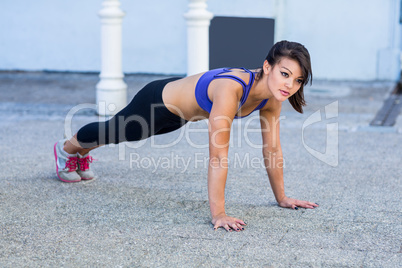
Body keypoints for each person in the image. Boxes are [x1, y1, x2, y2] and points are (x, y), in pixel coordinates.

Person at [54, 40, 319, 232]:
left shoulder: (272, 99)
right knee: (115, 132)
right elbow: (217, 156)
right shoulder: (232, 89)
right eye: (285, 74)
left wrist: (282, 198)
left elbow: (272, 149)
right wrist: (219, 214)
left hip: (179, 116)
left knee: (121, 135)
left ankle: (81, 153)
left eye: (297, 80)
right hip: (157, 102)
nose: (290, 85)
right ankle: (67, 150)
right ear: (268, 66)